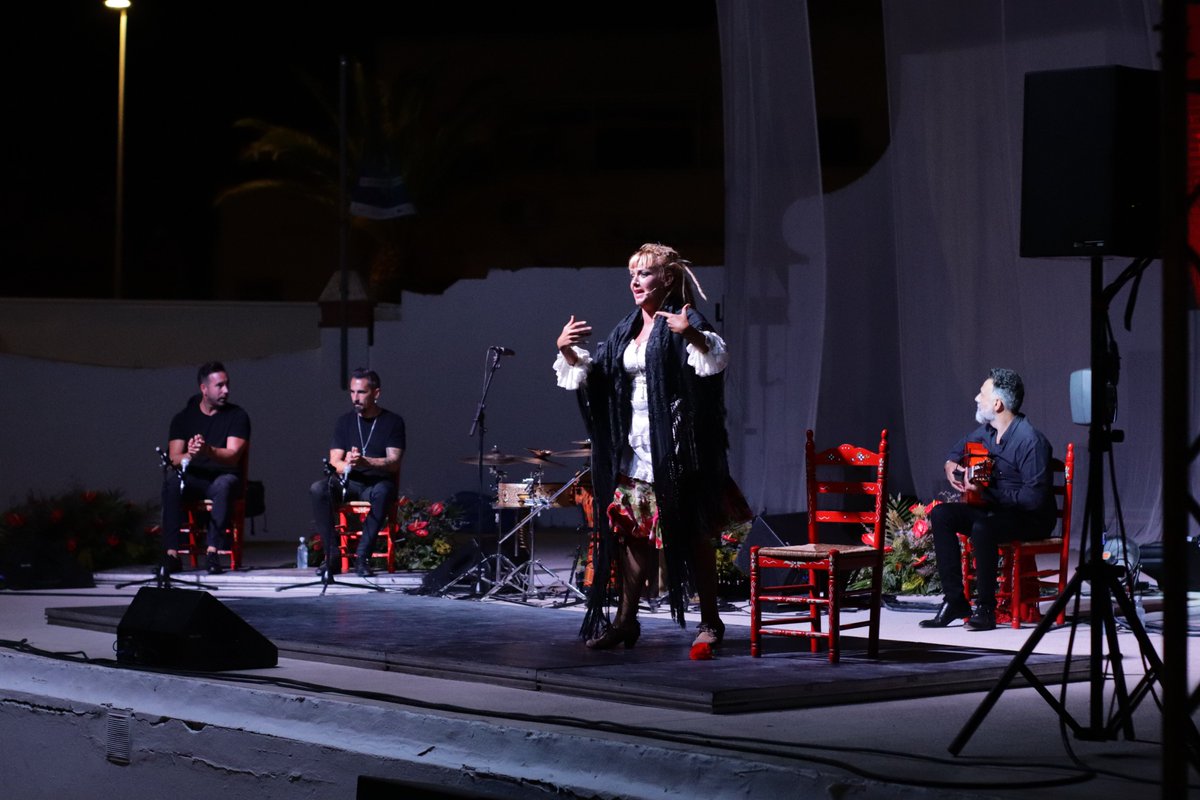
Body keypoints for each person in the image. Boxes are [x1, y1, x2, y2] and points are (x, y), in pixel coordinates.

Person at [554, 242, 740, 651]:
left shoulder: (684, 318)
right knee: (634, 537)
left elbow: (713, 359)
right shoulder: (626, 329)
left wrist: (691, 333)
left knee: (692, 536)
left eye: (645, 273)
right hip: (637, 449)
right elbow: (600, 376)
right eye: (632, 275)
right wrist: (567, 351)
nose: (635, 282)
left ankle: (711, 623)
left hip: (675, 448)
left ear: (668, 279)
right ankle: (625, 621)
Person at [919, 368, 1057, 631]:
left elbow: (1033, 499)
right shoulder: (986, 432)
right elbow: (959, 448)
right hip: (996, 510)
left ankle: (986, 608)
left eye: (981, 393)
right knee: (942, 515)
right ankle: (955, 600)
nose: (975, 398)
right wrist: (950, 463)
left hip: (1030, 518)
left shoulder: (1031, 441)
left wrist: (987, 493)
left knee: (984, 527)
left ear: (997, 403)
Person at [310, 368, 406, 577]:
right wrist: (349, 465)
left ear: (376, 393)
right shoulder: (344, 422)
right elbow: (335, 460)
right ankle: (332, 556)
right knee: (319, 489)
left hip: (377, 483)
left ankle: (362, 557)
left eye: (361, 392)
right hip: (350, 482)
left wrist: (366, 461)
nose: (355, 398)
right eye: (352, 392)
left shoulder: (392, 422)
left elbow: (394, 462)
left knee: (383, 493)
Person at [160, 361, 251, 575]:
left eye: (227, 385)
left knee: (224, 485)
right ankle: (171, 554)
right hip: (194, 478)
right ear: (204, 389)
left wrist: (207, 451)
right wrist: (191, 454)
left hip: (223, 476)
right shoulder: (183, 418)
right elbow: (173, 459)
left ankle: (212, 552)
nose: (226, 390)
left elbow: (233, 457)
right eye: (219, 386)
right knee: (172, 485)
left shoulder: (237, 416)